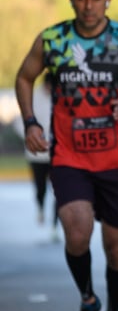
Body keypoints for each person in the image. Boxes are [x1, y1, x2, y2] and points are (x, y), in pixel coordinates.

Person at [15, 0, 118, 311]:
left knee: (116, 246)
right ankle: (89, 299)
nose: (88, 5)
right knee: (76, 232)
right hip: (70, 155)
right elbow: (25, 77)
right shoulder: (52, 39)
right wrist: (30, 123)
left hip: (117, 158)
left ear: (108, 0)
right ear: (72, 0)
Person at [13, 72, 59, 240]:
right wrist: (30, 137)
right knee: (40, 187)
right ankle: (40, 206)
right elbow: (20, 121)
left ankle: (55, 225)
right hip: (37, 154)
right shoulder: (32, 97)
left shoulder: (59, 96)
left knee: (60, 191)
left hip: (56, 153)